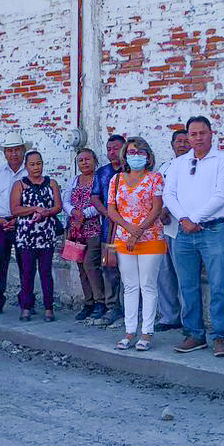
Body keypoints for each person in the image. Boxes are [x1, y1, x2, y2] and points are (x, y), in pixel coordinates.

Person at [163, 115, 224, 356]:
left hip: (213, 230)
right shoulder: (179, 164)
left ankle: (219, 336)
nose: (198, 138)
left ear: (211, 134)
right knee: (187, 286)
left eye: (202, 133)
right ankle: (194, 334)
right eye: (193, 134)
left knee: (217, 285)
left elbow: (221, 195)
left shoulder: (222, 160)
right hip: (183, 232)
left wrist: (195, 219)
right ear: (187, 137)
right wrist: (184, 219)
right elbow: (169, 195)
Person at [107, 135, 166, 349]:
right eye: (131, 152)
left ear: (148, 156)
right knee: (130, 286)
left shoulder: (155, 178)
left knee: (148, 286)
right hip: (124, 239)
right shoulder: (116, 180)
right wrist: (129, 229)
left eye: (141, 152)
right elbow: (112, 209)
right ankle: (130, 330)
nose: (136, 156)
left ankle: (147, 332)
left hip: (151, 238)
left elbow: (157, 208)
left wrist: (139, 230)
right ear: (125, 155)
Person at [9, 151, 62, 320]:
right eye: (32, 164)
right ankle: (26, 306)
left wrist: (45, 212)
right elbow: (15, 209)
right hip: (26, 235)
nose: (36, 167)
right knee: (27, 272)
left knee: (46, 272)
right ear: (26, 166)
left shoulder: (51, 183)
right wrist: (34, 209)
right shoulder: (20, 185)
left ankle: (48, 307)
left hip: (46, 233)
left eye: (38, 163)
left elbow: (58, 207)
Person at [0, 132, 29, 314]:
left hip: (25, 224)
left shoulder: (30, 172)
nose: (13, 154)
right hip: (0, 223)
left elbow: (33, 201)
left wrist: (17, 219)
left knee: (25, 264)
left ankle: (26, 302)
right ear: (5, 153)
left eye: (17, 150)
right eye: (10, 150)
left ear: (23, 151)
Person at [66, 149, 109, 321]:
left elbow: (102, 202)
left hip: (93, 228)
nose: (84, 163)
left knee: (91, 264)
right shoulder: (74, 180)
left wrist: (84, 214)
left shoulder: (98, 179)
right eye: (81, 160)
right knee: (81, 267)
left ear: (95, 160)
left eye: (87, 159)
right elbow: (66, 201)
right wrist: (73, 212)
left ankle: (100, 302)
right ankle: (88, 303)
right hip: (76, 230)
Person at [155, 128, 191, 332]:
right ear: (172, 145)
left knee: (184, 274)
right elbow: (158, 194)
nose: (182, 144)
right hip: (162, 225)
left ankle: (189, 319)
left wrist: (168, 209)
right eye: (178, 141)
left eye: (186, 141)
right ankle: (169, 316)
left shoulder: (194, 166)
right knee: (164, 272)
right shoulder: (165, 167)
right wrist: (160, 211)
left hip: (184, 226)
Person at [90, 135, 127, 324]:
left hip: (130, 230)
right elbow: (94, 197)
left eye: (116, 148)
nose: (112, 152)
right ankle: (113, 307)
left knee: (130, 270)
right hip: (108, 230)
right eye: (109, 148)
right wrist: (107, 212)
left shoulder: (132, 171)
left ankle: (132, 309)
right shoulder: (102, 172)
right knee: (108, 267)